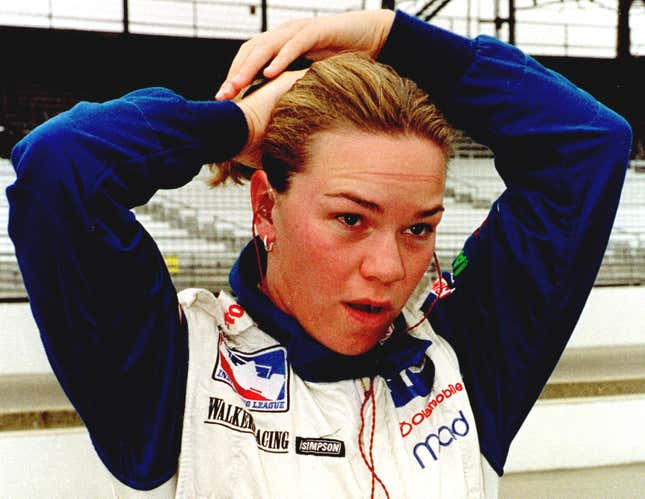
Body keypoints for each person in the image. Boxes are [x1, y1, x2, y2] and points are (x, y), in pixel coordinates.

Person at [6, 8, 630, 499]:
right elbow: (60, 169)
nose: (388, 270)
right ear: (264, 208)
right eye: (350, 218)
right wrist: (238, 125)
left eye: (419, 229)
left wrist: (391, 38)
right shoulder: (172, 369)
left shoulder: (465, 357)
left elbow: (588, 145)